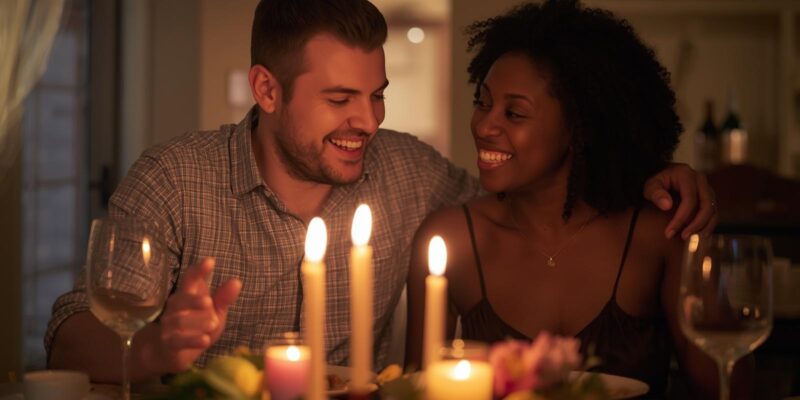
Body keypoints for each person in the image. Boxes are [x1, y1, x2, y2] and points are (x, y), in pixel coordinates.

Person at [47, 0, 715, 384]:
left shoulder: (406, 172)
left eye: (376, 96)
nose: (368, 121)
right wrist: (159, 346)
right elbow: (70, 333)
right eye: (340, 99)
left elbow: (530, 195)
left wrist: (653, 178)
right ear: (267, 90)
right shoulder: (175, 180)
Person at [405, 1, 739, 398]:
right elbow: (413, 390)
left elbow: (731, 385)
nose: (484, 124)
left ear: (580, 128)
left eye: (514, 113)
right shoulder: (450, 240)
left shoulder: (658, 234)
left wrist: (706, 260)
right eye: (483, 101)